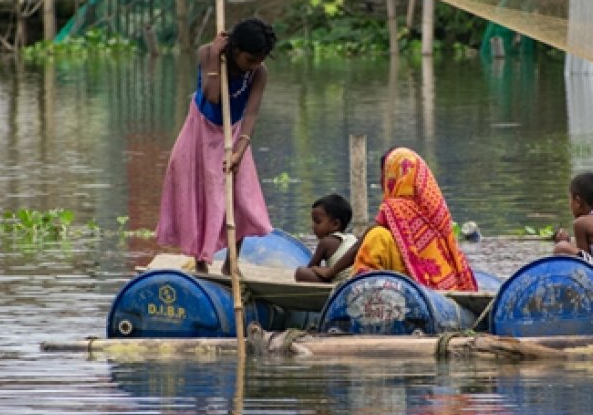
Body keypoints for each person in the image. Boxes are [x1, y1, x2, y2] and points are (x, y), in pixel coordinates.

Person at [156, 17, 277, 275]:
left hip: (234, 135)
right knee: (199, 194)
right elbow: (213, 96)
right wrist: (213, 56)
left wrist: (239, 152)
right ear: (235, 50)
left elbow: (251, 114)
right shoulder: (208, 54)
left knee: (241, 198)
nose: (253, 66)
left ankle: (231, 262)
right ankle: (201, 262)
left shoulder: (259, 73)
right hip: (199, 131)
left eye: (259, 61)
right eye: (249, 60)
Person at [317, 147, 478, 292]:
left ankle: (364, 290)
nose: (382, 180)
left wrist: (332, 270)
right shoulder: (432, 207)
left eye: (385, 174)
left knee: (376, 236)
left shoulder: (396, 207)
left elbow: (364, 239)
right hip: (447, 283)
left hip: (418, 284)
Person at [294, 194, 357, 283]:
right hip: (356, 279)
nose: (313, 226)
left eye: (318, 222)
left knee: (300, 272)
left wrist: (317, 269)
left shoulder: (325, 242)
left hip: (340, 282)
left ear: (336, 224)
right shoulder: (352, 238)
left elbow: (311, 267)